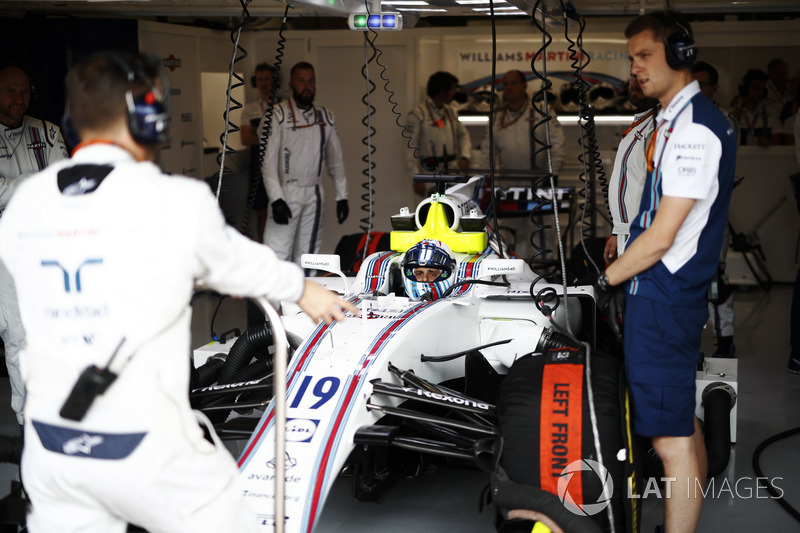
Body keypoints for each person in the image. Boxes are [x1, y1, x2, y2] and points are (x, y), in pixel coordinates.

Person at [0, 51, 357, 533]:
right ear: (149, 118)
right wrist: (306, 291)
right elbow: (241, 265)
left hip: (51, 450)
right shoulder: (172, 201)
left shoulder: (25, 204)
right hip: (142, 449)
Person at [597, 11, 736, 532]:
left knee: (668, 441)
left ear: (680, 55)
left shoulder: (694, 129)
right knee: (679, 422)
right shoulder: (678, 119)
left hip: (663, 292)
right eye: (631, 58)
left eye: (644, 56)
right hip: (665, 290)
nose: (634, 68)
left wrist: (605, 282)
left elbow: (661, 237)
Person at [0, 65, 68, 428]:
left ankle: (63, 411)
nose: (18, 100)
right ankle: (29, 419)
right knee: (19, 335)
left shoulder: (47, 131)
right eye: (11, 92)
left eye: (24, 92)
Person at [259, 61, 349, 264]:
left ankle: (305, 296)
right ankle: (272, 297)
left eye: (311, 81)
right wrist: (276, 198)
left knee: (308, 256)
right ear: (291, 84)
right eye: (301, 81)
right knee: (276, 253)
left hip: (314, 194)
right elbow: (268, 161)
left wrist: (342, 195)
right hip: (286, 191)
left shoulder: (325, 116)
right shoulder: (277, 114)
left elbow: (335, 159)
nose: (307, 86)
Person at [605, 75, 659, 263]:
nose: (634, 83)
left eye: (642, 77)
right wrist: (617, 231)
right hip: (628, 234)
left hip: (645, 238)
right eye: (632, 77)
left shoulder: (660, 127)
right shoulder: (642, 123)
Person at [480, 69, 565, 176]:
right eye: (506, 84)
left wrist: (552, 175)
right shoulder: (496, 117)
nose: (509, 87)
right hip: (506, 185)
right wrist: (485, 181)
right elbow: (487, 153)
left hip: (538, 184)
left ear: (524, 86)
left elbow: (557, 147)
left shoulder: (543, 112)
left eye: (513, 83)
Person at [405, 71, 472, 196]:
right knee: (434, 213)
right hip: (430, 175)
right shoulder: (418, 115)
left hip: (452, 173)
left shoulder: (450, 112)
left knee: (454, 212)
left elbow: (464, 136)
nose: (454, 92)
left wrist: (465, 157)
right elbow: (411, 150)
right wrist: (415, 178)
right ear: (442, 91)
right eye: (452, 89)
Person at [240, 62, 280, 243]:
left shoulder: (284, 106)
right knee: (262, 211)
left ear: (274, 81)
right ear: (255, 81)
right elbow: (245, 139)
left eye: (267, 79)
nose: (264, 83)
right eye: (260, 79)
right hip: (258, 164)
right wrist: (270, 135)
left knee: (282, 207)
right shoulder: (250, 108)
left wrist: (258, 132)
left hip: (281, 163)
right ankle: (264, 250)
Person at [729, 69, 778, 146]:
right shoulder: (731, 115)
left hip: (764, 158)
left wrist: (769, 144)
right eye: (756, 88)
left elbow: (778, 145)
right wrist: (729, 120)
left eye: (763, 89)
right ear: (745, 88)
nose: (760, 92)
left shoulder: (771, 115)